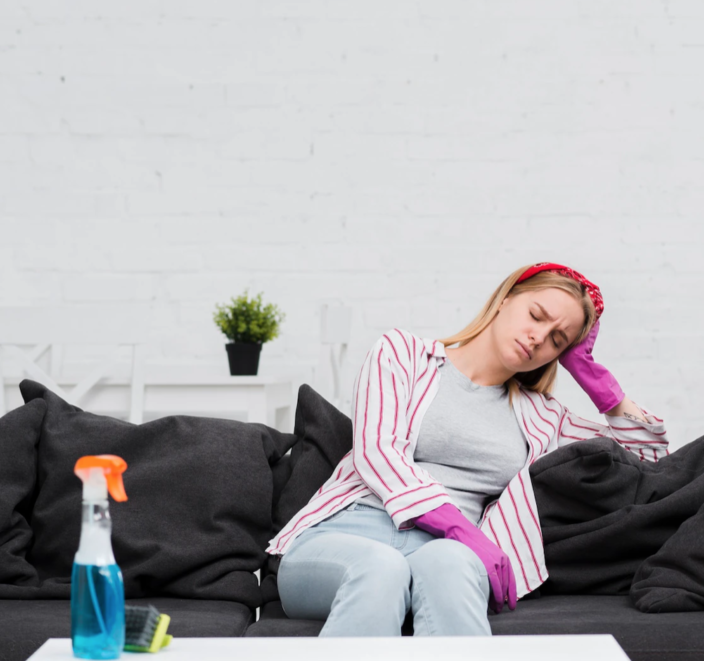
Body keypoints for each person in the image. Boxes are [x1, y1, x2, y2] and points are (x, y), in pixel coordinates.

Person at [266, 262, 671, 636]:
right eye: (536, 316)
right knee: (381, 568)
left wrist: (592, 376)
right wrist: (462, 530)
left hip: (446, 555)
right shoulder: (404, 355)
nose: (539, 338)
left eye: (557, 340)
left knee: (449, 565)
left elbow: (648, 463)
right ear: (506, 298)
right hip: (343, 538)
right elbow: (378, 452)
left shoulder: (544, 417)